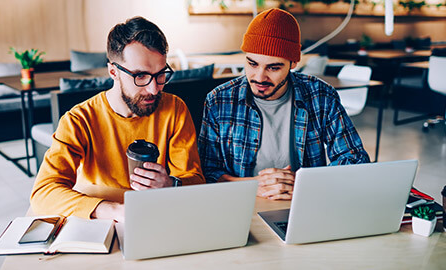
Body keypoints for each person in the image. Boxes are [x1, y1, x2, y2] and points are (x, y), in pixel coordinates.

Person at [31, 16, 205, 222]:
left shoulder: (175, 109)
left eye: (160, 74)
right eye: (140, 76)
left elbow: (195, 180)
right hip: (100, 221)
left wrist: (171, 184)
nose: (154, 88)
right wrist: (113, 210)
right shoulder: (78, 119)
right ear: (113, 71)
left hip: (158, 216)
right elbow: (43, 192)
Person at [198, 8, 370, 201]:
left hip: (305, 201)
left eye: (273, 67)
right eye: (252, 64)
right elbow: (207, 172)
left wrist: (305, 183)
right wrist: (254, 186)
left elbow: (355, 159)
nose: (259, 77)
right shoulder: (219, 101)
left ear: (293, 63)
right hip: (240, 204)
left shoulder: (321, 96)